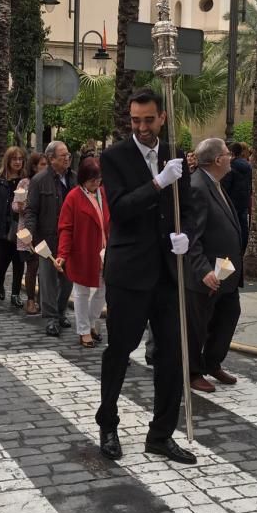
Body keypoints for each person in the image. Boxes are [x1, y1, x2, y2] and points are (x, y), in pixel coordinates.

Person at [94, 88, 195, 465]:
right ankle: (108, 423)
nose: (141, 128)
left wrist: (189, 238)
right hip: (130, 272)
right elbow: (120, 210)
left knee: (171, 355)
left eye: (148, 120)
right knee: (119, 351)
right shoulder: (114, 156)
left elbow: (189, 206)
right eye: (135, 121)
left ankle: (161, 434)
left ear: (162, 118)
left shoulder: (174, 154)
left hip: (169, 271)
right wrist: (157, 183)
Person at [185, 138, 243, 392]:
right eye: (228, 154)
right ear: (218, 160)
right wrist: (203, 269)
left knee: (228, 315)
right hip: (207, 275)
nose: (231, 157)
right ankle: (192, 371)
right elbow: (192, 236)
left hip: (226, 273)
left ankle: (212, 362)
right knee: (198, 325)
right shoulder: (198, 186)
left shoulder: (215, 183)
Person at [23, 141, 76, 337]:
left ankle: (61, 312)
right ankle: (51, 318)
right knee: (47, 280)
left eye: (68, 155)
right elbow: (31, 210)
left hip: (69, 239)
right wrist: (30, 234)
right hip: (46, 238)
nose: (67, 158)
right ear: (51, 158)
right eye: (63, 155)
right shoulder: (39, 181)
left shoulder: (74, 178)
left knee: (68, 280)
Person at [56, 158, 110, 348]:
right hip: (82, 252)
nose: (96, 184)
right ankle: (84, 330)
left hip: (104, 251)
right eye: (92, 180)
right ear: (83, 179)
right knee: (81, 292)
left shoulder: (103, 194)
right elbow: (66, 228)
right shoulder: (73, 197)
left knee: (103, 290)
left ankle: (91, 321)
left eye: (98, 179)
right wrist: (62, 254)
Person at [0, 147, 26, 307]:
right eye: (14, 159)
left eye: (20, 159)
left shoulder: (26, 179)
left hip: (21, 225)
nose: (17, 162)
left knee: (19, 259)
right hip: (3, 224)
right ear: (8, 160)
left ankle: (15, 293)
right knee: (3, 258)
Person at [15, 152, 47, 315]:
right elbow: (15, 206)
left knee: (46, 267)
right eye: (42, 164)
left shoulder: (50, 182)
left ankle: (44, 299)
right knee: (32, 266)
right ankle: (30, 300)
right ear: (34, 166)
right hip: (28, 230)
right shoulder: (25, 182)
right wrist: (21, 206)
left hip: (46, 230)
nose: (45, 167)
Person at [221, 142, 252, 253]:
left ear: (232, 153)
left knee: (233, 226)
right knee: (243, 225)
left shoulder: (231, 166)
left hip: (232, 201)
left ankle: (235, 248)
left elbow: (226, 185)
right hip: (244, 200)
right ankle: (243, 247)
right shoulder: (248, 166)